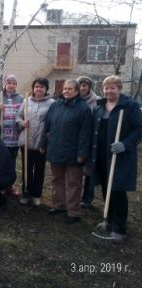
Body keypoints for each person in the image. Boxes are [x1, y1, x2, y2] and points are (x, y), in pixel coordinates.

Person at [91, 75, 142, 241]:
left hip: (120, 156)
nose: (109, 90)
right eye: (106, 88)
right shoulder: (100, 107)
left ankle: (120, 228)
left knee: (118, 190)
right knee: (106, 187)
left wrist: (125, 144)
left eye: (112, 87)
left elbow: (139, 129)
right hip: (102, 155)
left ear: (119, 89)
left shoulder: (130, 106)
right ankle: (109, 220)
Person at [40, 79, 92, 224]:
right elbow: (47, 127)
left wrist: (82, 153)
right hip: (56, 149)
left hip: (74, 152)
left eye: (70, 89)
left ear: (76, 91)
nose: (66, 91)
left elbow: (85, 133)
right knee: (57, 180)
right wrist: (43, 143)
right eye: (65, 89)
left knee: (73, 183)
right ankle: (59, 205)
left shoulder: (83, 109)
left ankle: (73, 212)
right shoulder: (56, 105)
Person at [16, 78, 54, 206]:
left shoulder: (51, 103)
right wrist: (21, 122)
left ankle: (36, 195)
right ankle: (26, 193)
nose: (39, 89)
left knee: (39, 170)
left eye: (42, 87)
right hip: (26, 141)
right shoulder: (26, 101)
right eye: (37, 86)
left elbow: (53, 122)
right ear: (33, 88)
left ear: (46, 89)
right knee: (26, 169)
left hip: (41, 143)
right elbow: (18, 116)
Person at [0, 74, 23, 197]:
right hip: (2, 136)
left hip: (14, 136)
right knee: (0, 161)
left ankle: (9, 185)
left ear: (15, 85)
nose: (11, 85)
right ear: (4, 85)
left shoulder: (21, 99)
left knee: (11, 162)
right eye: (8, 83)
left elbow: (22, 115)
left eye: (13, 83)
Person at [77, 76, 100, 208]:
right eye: (80, 85)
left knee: (89, 169)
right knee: (76, 168)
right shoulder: (74, 99)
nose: (82, 88)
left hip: (92, 139)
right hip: (77, 139)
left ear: (89, 87)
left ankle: (87, 198)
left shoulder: (96, 101)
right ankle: (76, 195)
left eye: (85, 85)